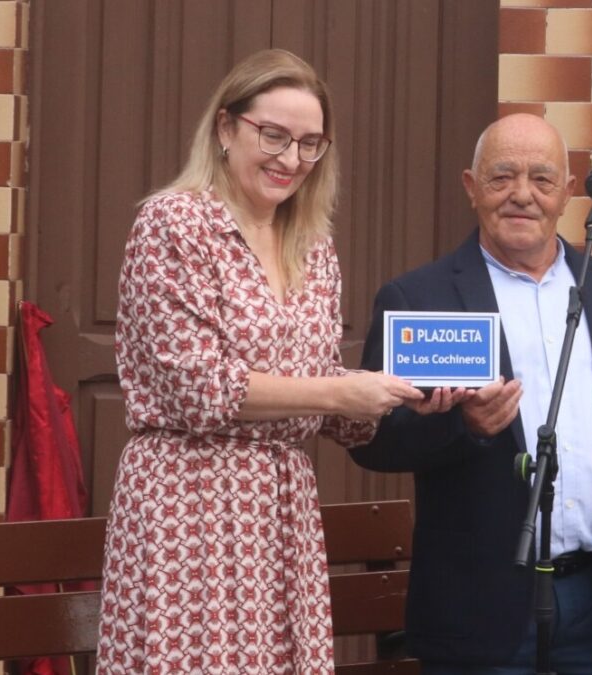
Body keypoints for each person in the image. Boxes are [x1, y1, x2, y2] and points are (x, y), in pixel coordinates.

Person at [97, 49, 427, 673]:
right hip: (187, 502)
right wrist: (337, 394)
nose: (291, 159)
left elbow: (327, 397)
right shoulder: (175, 223)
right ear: (226, 128)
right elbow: (202, 387)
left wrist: (400, 393)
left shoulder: (314, 244)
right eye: (273, 136)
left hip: (281, 510)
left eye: (310, 143)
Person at [349, 113, 592, 674]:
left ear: (569, 193)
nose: (522, 195)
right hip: (479, 606)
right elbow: (374, 440)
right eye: (502, 178)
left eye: (542, 180)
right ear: (472, 188)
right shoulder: (421, 299)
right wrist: (463, 427)